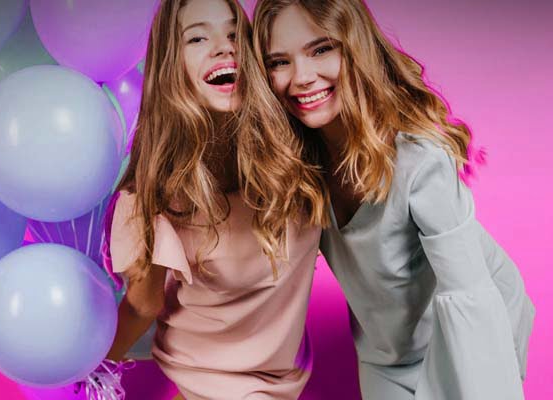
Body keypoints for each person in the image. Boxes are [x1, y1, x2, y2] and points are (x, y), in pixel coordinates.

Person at [253, 1, 535, 399]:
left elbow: (470, 298)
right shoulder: (296, 165)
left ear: (355, 47)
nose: (301, 77)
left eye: (321, 49)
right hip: (387, 351)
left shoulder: (420, 160)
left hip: (470, 324)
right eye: (279, 62)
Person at [90, 0, 329, 399]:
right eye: (198, 38)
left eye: (235, 34)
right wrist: (84, 373)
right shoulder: (152, 194)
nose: (224, 47)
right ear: (173, 65)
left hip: (284, 381)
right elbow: (142, 308)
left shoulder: (297, 143)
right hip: (201, 384)